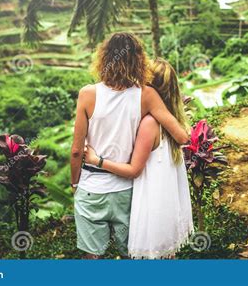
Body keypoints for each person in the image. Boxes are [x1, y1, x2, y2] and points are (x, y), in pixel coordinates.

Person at [70, 33, 188, 259]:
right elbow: (182, 137)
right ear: (139, 60)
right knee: (131, 256)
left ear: (103, 58)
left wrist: (75, 182)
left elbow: (77, 151)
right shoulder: (146, 95)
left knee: (91, 258)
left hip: (91, 187)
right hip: (126, 189)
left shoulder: (87, 94)